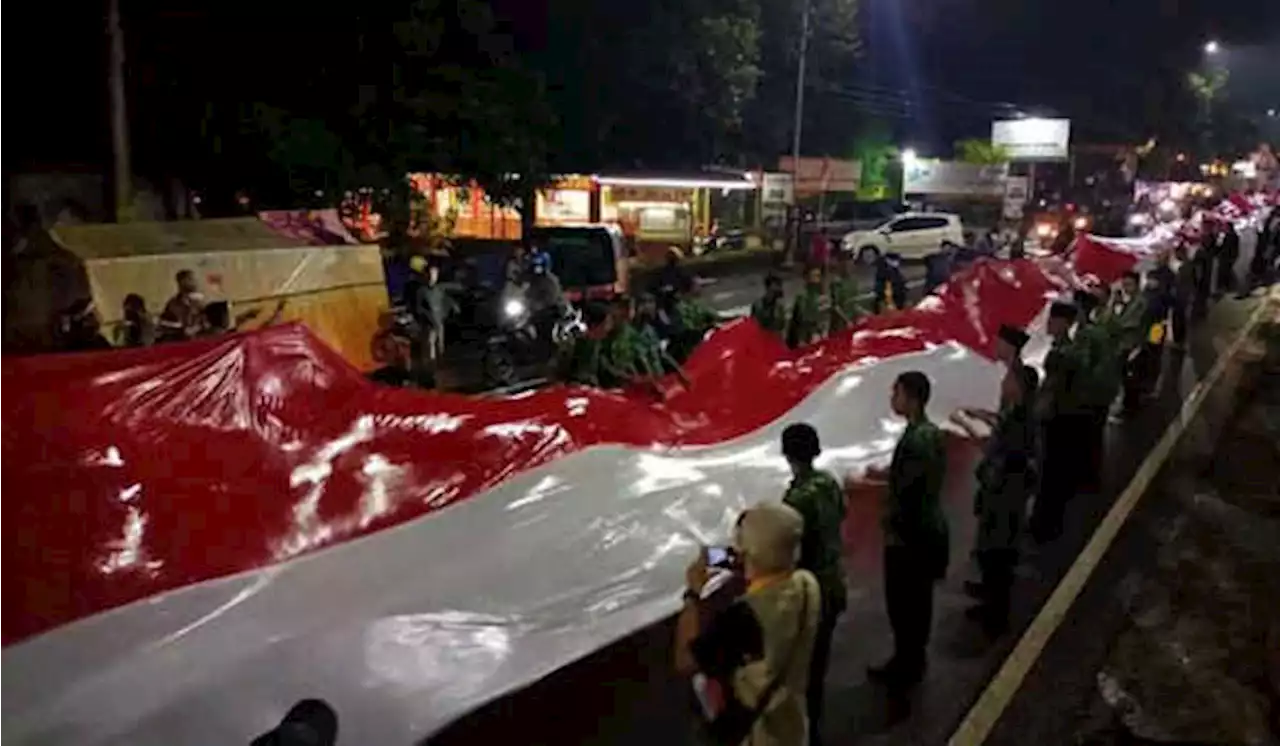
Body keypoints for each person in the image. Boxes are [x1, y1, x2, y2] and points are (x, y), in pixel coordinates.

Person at [674, 502, 820, 746]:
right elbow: (767, 564)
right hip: (791, 723)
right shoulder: (806, 583)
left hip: (756, 733)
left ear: (748, 553)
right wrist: (723, 557)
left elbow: (684, 661)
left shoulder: (744, 617)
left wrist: (693, 595)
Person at [862, 371, 950, 688]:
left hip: (910, 537)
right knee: (917, 602)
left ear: (911, 398)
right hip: (925, 533)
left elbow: (907, 490)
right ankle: (911, 659)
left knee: (905, 603)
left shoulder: (916, 439)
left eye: (896, 393)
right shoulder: (929, 432)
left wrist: (872, 486)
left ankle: (906, 663)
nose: (892, 398)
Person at [953, 363, 1039, 636]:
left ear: (1019, 386)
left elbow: (995, 448)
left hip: (1004, 494)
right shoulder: (1018, 413)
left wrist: (964, 423)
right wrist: (980, 414)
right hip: (1001, 492)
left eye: (1009, 379)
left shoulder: (1021, 420)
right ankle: (990, 599)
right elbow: (1001, 425)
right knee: (992, 549)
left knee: (998, 551)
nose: (1004, 383)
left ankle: (996, 614)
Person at [779, 424, 848, 746]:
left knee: (799, 674)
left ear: (787, 454)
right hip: (833, 586)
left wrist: (714, 556)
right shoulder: (829, 483)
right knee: (817, 667)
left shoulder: (797, 497)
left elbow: (778, 548)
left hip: (808, 596)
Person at [1030, 301, 1086, 544]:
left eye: (1054, 320)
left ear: (1065, 323)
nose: (1049, 324)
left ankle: (1045, 525)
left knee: (1051, 473)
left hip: (1059, 419)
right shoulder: (1067, 350)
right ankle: (1048, 522)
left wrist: (1036, 414)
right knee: (1054, 473)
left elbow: (1050, 391)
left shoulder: (1062, 355)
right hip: (1066, 417)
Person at [559, 301, 609, 386]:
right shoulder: (575, 344)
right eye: (606, 324)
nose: (608, 327)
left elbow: (605, 366)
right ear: (594, 325)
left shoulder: (596, 344)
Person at [786, 265, 829, 349]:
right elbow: (798, 320)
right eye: (813, 276)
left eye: (818, 276)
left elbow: (824, 317)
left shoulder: (822, 297)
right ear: (806, 278)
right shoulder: (802, 297)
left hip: (818, 336)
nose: (816, 279)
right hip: (804, 338)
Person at [158, 269, 206, 342]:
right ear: (182, 282)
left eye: (194, 279)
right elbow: (164, 324)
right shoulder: (173, 303)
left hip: (198, 342)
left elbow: (207, 323)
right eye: (190, 279)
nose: (195, 282)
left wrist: (195, 328)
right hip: (179, 343)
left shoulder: (200, 302)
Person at [827, 254, 865, 333]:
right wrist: (847, 320)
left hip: (852, 322)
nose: (849, 268)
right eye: (846, 265)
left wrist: (864, 313)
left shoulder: (853, 282)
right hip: (839, 324)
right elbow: (835, 306)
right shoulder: (836, 283)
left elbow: (854, 303)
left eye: (851, 265)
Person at [1172, 243, 1196, 349]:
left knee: (1179, 319)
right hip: (1184, 296)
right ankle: (1181, 341)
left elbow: (1180, 283)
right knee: (1181, 319)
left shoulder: (1185, 267)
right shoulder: (1189, 265)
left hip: (1181, 297)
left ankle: (1179, 341)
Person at [1216, 221, 1240, 299]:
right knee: (1226, 271)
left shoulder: (1231, 236)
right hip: (1226, 256)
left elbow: (1230, 248)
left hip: (1227, 257)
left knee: (1225, 271)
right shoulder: (1231, 235)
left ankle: (1227, 287)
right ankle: (1228, 287)